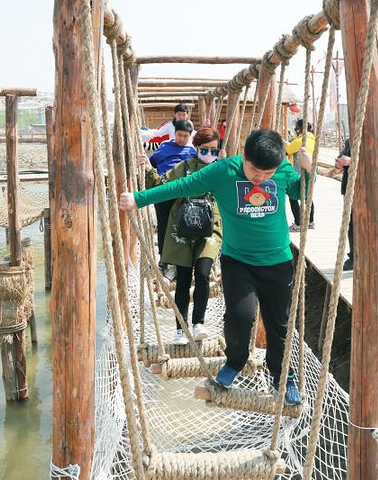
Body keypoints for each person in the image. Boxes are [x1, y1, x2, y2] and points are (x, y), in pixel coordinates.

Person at [120, 129, 312, 406]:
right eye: (254, 170)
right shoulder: (224, 170)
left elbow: (301, 190)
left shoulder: (281, 169)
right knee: (239, 316)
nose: (260, 178)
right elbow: (182, 186)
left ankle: (283, 375)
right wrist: (139, 199)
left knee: (278, 325)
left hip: (277, 262)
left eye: (267, 173)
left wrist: (309, 169)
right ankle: (235, 362)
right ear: (243, 155)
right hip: (238, 261)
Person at [140, 127, 224, 345]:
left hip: (210, 229)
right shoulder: (183, 168)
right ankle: (180, 329)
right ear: (196, 148)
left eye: (214, 151)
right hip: (182, 229)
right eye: (205, 149)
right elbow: (162, 188)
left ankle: (198, 323)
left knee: (204, 274)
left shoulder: (221, 170)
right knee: (184, 279)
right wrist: (149, 169)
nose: (210, 154)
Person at [142, 120, 197, 267]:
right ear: (174, 133)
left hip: (182, 194)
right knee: (164, 224)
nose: (182, 139)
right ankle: (164, 259)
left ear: (190, 136)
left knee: (182, 225)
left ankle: (182, 259)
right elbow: (152, 162)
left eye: (186, 136)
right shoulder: (164, 147)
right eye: (180, 135)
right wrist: (145, 162)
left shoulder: (192, 152)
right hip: (163, 190)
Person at [286, 119, 316, 231]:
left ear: (299, 130)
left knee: (293, 197)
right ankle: (311, 221)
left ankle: (298, 224)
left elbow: (288, 150)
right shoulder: (313, 139)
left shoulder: (300, 140)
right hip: (311, 172)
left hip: (298, 173)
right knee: (308, 197)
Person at [334, 138, 355, 271]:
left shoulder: (375, 139)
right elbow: (341, 157)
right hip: (349, 189)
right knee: (351, 224)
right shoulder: (350, 141)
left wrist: (351, 161)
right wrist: (339, 162)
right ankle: (353, 256)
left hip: (367, 192)